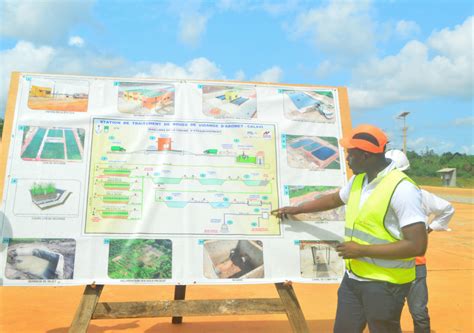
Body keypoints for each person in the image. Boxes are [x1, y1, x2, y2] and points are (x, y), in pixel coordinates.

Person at [272, 124, 428, 333]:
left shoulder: (402, 189)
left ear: (365, 155)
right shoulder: (359, 180)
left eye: (350, 154)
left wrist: (361, 250)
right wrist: (297, 209)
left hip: (385, 284)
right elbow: (334, 199)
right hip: (354, 279)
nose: (346, 159)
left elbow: (417, 245)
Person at [386, 149, 455, 333]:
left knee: (417, 311)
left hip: (414, 265)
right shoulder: (380, 195)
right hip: (389, 264)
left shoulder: (419, 194)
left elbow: (447, 209)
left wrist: (429, 229)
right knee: (392, 313)